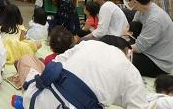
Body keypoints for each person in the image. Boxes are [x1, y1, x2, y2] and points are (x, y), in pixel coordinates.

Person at [20, 40, 148, 108]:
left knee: (27, 58)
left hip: (37, 102)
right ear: (127, 51)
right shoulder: (131, 72)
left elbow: (55, 64)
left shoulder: (88, 44)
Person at [119, 0, 173, 77]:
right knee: (133, 26)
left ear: (134, 2)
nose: (125, 1)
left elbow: (139, 48)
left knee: (119, 58)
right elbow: (130, 28)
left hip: (158, 63)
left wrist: (119, 49)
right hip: (148, 50)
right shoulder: (143, 10)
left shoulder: (155, 19)